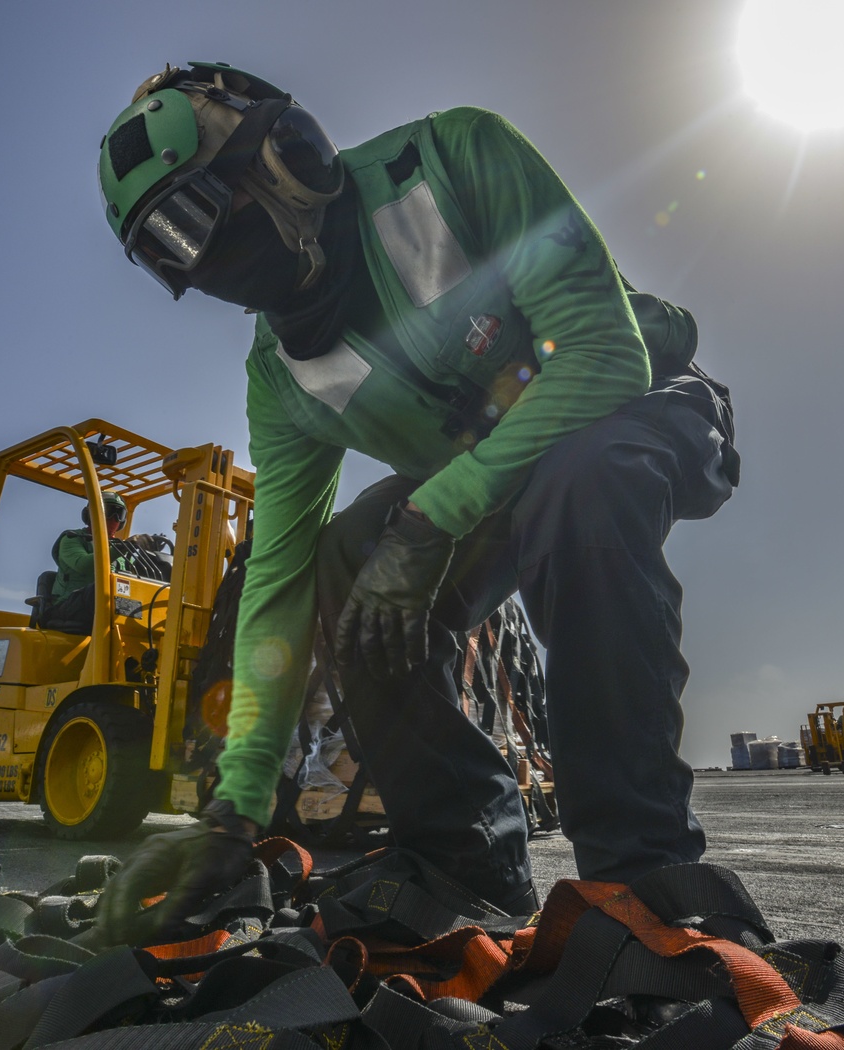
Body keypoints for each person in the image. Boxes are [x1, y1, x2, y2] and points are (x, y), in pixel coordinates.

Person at [92, 61, 739, 945]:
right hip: (491, 474)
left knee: (582, 480)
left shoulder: (458, 158)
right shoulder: (280, 378)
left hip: (635, 401)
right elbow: (277, 582)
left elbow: (601, 353)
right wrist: (236, 809)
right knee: (346, 567)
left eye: (205, 218)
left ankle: (641, 883)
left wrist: (433, 518)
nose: (210, 266)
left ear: (291, 155)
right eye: (175, 254)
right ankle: (466, 866)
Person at [46, 491, 141, 632]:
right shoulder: (72, 539)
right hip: (68, 606)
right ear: (90, 514)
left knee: (143, 606)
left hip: (105, 606)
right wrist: (124, 547)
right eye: (108, 512)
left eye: (118, 514)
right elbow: (85, 565)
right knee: (100, 591)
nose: (112, 519)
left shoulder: (119, 550)